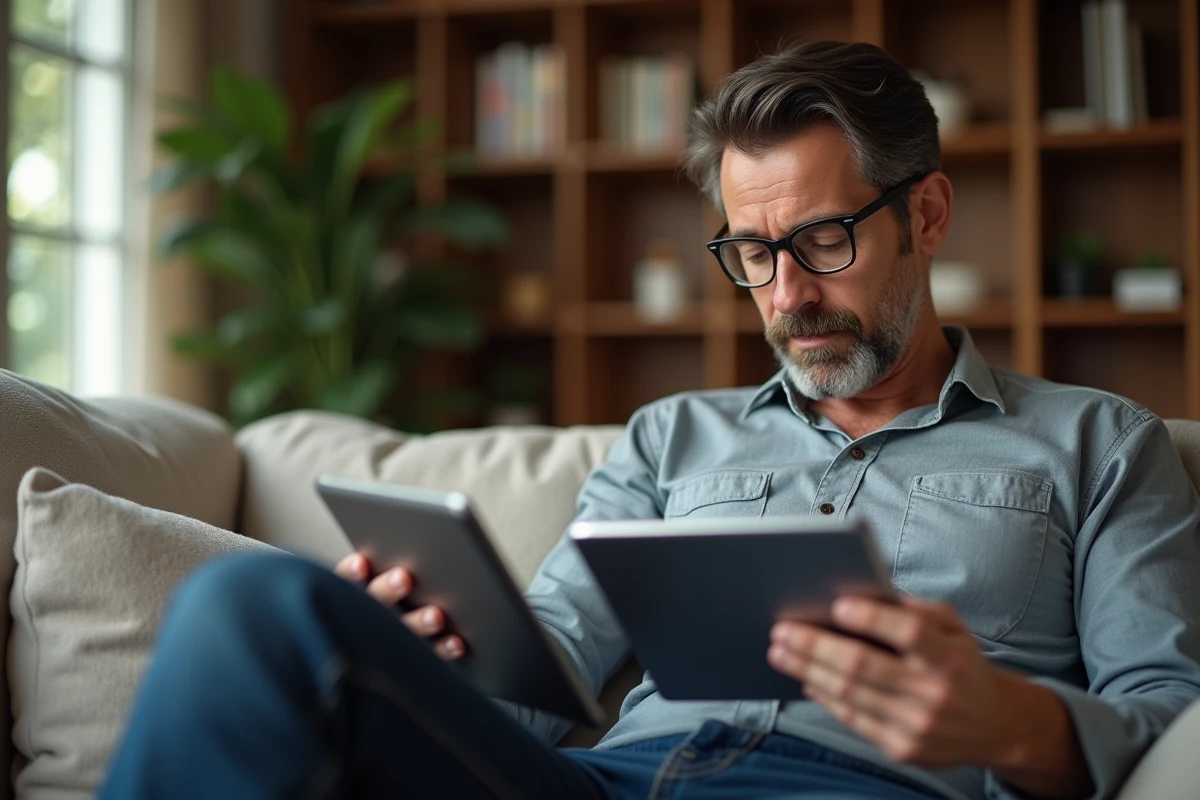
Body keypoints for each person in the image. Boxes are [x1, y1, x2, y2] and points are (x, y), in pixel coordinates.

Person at [101, 41, 1200, 800]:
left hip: (870, 787)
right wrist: (432, 656)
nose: (787, 294)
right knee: (254, 603)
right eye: (752, 253)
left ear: (927, 213)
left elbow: (1172, 714)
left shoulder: (1101, 444)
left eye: (823, 242)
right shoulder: (669, 438)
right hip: (602, 785)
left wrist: (1008, 721)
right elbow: (546, 672)